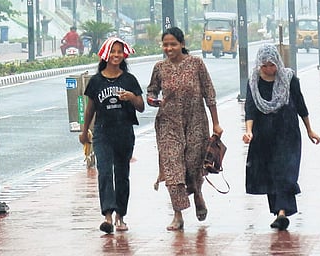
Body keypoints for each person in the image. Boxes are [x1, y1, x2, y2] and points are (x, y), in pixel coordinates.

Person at [147, 27, 223, 231]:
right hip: (168, 124)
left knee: (192, 165)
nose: (169, 48)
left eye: (173, 44)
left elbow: (209, 92)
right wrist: (152, 99)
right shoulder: (159, 68)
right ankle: (178, 214)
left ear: (182, 44)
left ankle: (198, 193)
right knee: (173, 170)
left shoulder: (196, 64)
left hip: (195, 122)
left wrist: (216, 123)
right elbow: (152, 90)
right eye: (165, 44)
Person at [242, 44, 320, 231]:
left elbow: (301, 105)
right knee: (271, 174)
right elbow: (250, 109)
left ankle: (282, 212)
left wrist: (310, 130)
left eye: (272, 65)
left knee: (285, 173)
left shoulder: (289, 79)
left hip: (288, 133)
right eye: (265, 66)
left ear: (278, 62)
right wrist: (249, 131)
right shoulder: (254, 82)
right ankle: (279, 212)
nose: (269, 69)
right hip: (264, 136)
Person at [79, 37, 144, 234]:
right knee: (105, 172)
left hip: (124, 131)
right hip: (102, 132)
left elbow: (141, 107)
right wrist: (84, 132)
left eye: (119, 52)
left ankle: (120, 216)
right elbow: (90, 109)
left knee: (122, 174)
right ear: (106, 54)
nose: (116, 55)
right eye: (113, 51)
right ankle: (107, 215)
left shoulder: (129, 80)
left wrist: (132, 97)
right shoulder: (96, 81)